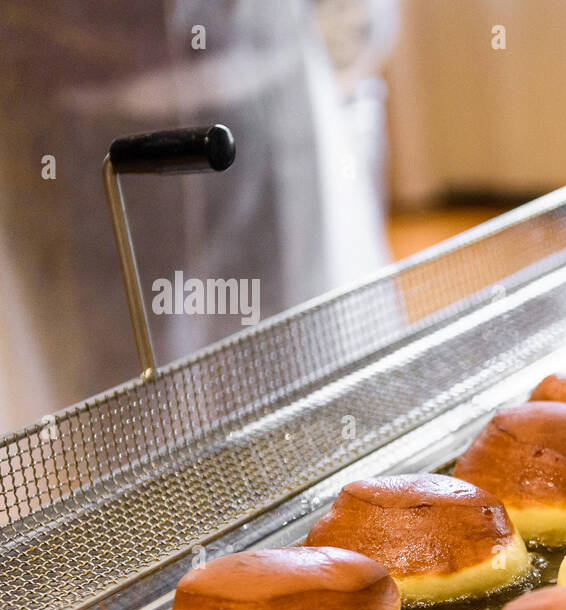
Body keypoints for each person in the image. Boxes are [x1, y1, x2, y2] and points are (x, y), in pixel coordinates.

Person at [0, 0, 396, 432]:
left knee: (293, 400)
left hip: (266, 101)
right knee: (107, 424)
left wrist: (353, 33)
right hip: (63, 138)